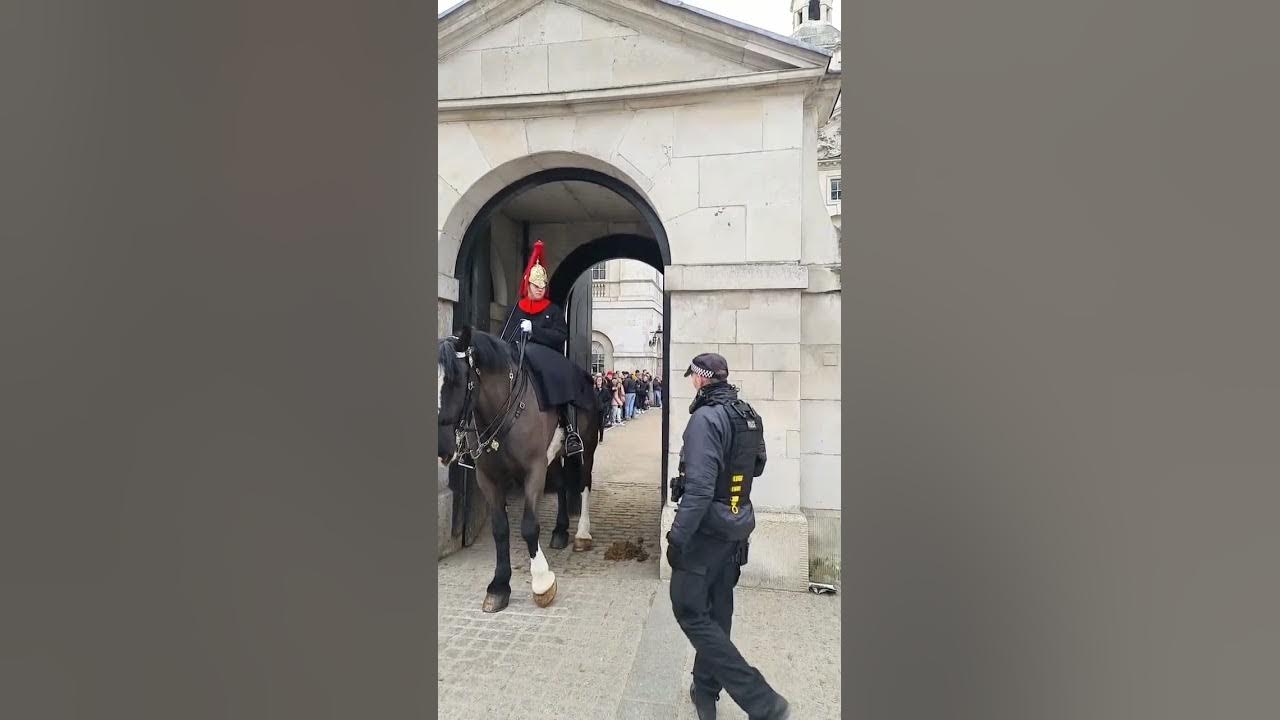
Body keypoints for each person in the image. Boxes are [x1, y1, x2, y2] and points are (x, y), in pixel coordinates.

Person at [665, 353, 789, 720]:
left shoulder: (705, 419)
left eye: (693, 377)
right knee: (718, 613)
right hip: (737, 530)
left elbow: (700, 490)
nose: (692, 382)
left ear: (701, 379)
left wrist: (677, 538)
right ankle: (705, 692)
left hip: (706, 533)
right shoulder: (748, 414)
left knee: (689, 609)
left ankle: (761, 700)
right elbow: (758, 466)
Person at [497, 240, 593, 456]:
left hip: (546, 357)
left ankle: (569, 428)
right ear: (527, 285)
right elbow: (503, 336)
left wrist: (535, 331)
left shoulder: (553, 311)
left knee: (563, 376)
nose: (540, 290)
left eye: (542, 286)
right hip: (517, 355)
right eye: (536, 286)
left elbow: (561, 336)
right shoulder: (515, 310)